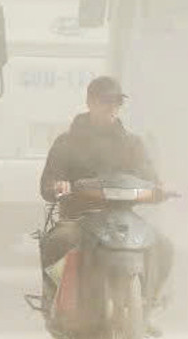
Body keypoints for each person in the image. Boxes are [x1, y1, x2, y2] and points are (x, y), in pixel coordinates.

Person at [37, 74, 173, 323]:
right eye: (105, 101)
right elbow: (48, 183)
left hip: (124, 220)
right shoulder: (67, 143)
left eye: (117, 102)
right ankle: (57, 304)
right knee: (56, 242)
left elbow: (149, 178)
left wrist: (160, 188)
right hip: (79, 219)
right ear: (89, 102)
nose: (112, 107)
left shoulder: (133, 143)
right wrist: (58, 185)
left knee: (163, 246)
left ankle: (147, 307)